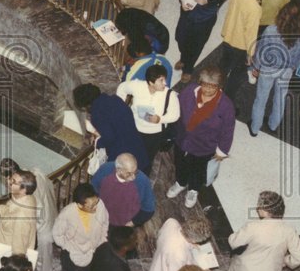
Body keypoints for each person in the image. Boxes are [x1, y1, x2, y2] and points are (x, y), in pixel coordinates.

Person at [166, 66, 236, 209]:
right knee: (180, 162)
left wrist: (222, 150)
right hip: (182, 138)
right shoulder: (190, 91)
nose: (208, 89)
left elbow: (228, 130)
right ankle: (180, 182)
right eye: (205, 84)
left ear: (219, 86)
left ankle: (193, 190)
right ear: (200, 82)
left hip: (204, 145)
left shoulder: (226, 106)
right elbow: (176, 106)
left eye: (213, 86)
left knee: (197, 169)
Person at [249, 2, 300, 135]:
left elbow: (261, 51)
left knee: (261, 98)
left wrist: (255, 67)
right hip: (286, 70)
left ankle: (255, 127)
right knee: (280, 97)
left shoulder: (271, 30)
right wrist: (293, 67)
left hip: (267, 69)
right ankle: (273, 125)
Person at [173, 0, 230, 83]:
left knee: (196, 44)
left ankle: (187, 69)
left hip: (206, 17)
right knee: (180, 37)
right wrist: (183, 1)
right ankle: (184, 57)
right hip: (188, 11)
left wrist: (208, 1)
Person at [52, 182, 108, 271]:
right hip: (71, 252)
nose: (95, 207)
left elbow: (105, 224)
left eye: (96, 202)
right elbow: (57, 235)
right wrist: (68, 247)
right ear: (79, 205)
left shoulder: (100, 205)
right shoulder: (67, 213)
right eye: (91, 206)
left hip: (92, 249)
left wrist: (101, 241)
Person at [117, 64, 181, 173]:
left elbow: (175, 115)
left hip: (153, 134)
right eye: (161, 80)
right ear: (151, 82)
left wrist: (160, 119)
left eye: (164, 79)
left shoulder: (170, 95)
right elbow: (122, 88)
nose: (165, 83)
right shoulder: (137, 86)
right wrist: (121, 107)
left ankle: (141, 176)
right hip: (135, 129)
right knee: (130, 153)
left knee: (146, 159)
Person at [72, 83, 149, 172]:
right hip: (137, 146)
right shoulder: (115, 99)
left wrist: (97, 142)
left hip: (124, 156)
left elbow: (109, 138)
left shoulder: (97, 114)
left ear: (86, 104)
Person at [218, 0, 266, 99]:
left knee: (223, 67)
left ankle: (216, 89)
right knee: (236, 75)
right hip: (240, 45)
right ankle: (227, 99)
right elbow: (251, 32)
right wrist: (251, 54)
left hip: (228, 35)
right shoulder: (255, 8)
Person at [145, 216, 211, 271]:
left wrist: (191, 245)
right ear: (193, 240)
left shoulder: (171, 222)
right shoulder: (178, 254)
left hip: (158, 262)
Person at [0, 168, 38, 255]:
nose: (9, 182)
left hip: (7, 258)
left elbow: (19, 250)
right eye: (11, 179)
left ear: (23, 190)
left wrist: (10, 267)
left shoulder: (21, 217)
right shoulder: (23, 198)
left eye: (13, 181)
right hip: (2, 250)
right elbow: (6, 210)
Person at [90, 153, 156, 227]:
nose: (133, 177)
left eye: (135, 172)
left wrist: (132, 223)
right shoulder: (105, 170)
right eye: (129, 174)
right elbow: (93, 188)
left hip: (122, 225)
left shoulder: (143, 181)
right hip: (100, 216)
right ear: (118, 170)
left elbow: (149, 209)